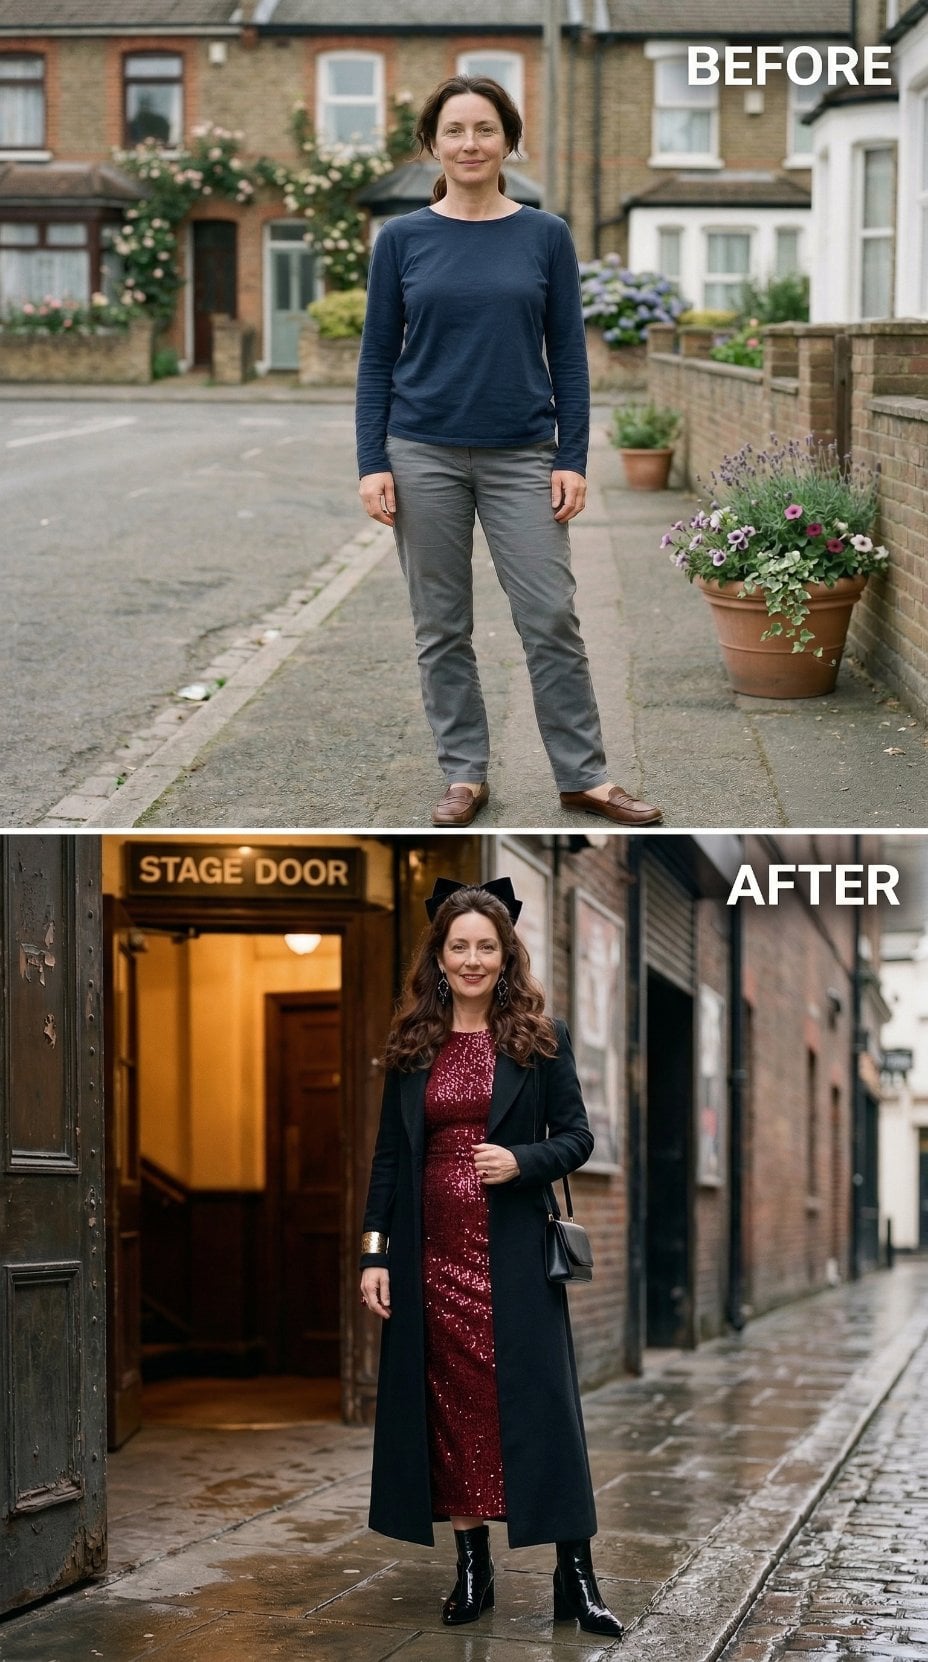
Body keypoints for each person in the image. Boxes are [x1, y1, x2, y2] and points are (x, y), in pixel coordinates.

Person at [355, 75, 663, 830]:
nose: (470, 144)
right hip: (420, 450)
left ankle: (583, 775)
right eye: (454, 130)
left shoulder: (544, 235)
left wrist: (573, 457)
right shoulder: (400, 240)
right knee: (441, 626)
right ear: (433, 142)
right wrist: (372, 461)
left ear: (508, 141)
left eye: (484, 129)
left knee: (551, 615)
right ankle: (463, 775)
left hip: (524, 453)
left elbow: (569, 354)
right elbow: (374, 360)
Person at [358, 876, 624, 1638]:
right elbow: (386, 1161)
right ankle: (472, 1567)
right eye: (458, 946)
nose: (472, 959)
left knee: (544, 1414)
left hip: (511, 1257)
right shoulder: (413, 1045)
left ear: (505, 955)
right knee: (452, 1414)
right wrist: (375, 1254)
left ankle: (577, 1575)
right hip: (429, 1258)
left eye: (486, 945)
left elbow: (579, 1138)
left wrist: (522, 1161)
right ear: (438, 959)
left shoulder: (540, 1038)